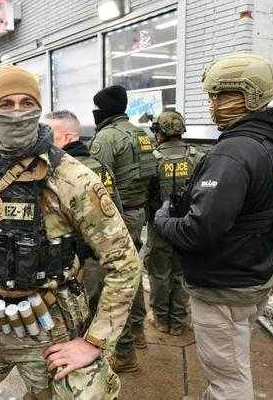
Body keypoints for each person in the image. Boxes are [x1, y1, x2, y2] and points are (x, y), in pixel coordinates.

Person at [0, 65, 141, 399]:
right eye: (6, 104)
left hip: (49, 328)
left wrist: (94, 341)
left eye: (26, 103)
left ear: (38, 108)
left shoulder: (72, 177)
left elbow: (124, 263)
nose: (17, 112)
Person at [155, 54, 273, 400]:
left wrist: (163, 221)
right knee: (233, 358)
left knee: (228, 381)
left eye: (218, 95)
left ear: (248, 96)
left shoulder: (233, 153)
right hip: (254, 272)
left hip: (225, 285)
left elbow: (197, 231)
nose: (211, 103)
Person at [87, 85, 157, 373]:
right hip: (138, 212)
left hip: (117, 216)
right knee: (131, 271)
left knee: (112, 281)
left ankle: (124, 351)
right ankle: (137, 331)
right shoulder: (141, 133)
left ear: (103, 109)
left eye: (95, 108)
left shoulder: (106, 137)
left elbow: (96, 183)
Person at [44, 110, 123, 318]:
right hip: (98, 259)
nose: (41, 139)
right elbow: (117, 215)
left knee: (77, 317)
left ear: (66, 136)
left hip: (73, 263)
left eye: (47, 133)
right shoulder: (101, 167)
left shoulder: (56, 172)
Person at [145, 111, 204, 336]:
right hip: (188, 225)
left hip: (159, 225)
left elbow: (144, 194)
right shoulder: (197, 157)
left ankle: (161, 319)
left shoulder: (152, 159)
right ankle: (179, 321)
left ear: (159, 133)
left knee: (159, 274)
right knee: (181, 273)